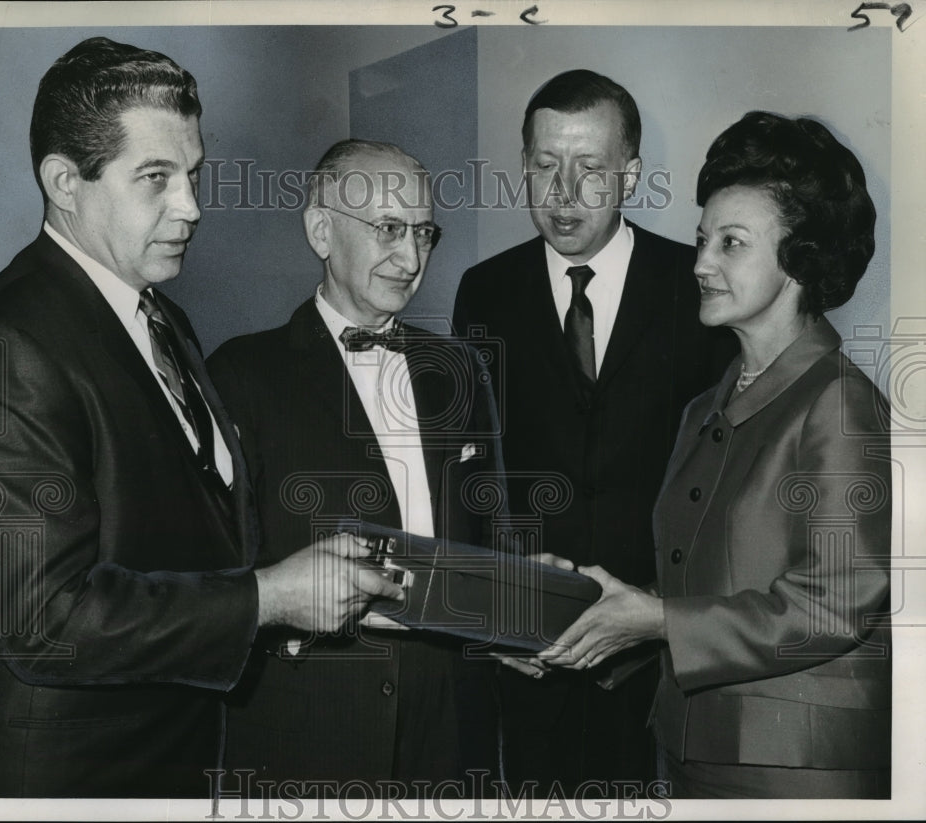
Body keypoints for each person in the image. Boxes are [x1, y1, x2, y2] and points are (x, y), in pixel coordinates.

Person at [0, 38, 402, 799]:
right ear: (65, 182)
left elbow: (185, 528)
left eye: (193, 175)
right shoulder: (7, 340)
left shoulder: (163, 318)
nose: (192, 207)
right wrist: (270, 596)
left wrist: (312, 573)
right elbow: (41, 620)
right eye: (156, 178)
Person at [540, 111, 891, 799]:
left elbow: (834, 604)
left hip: (796, 773)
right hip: (686, 752)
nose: (700, 263)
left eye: (731, 244)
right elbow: (696, 589)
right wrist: (592, 606)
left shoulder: (840, 401)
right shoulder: (705, 408)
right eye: (703, 241)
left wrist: (659, 619)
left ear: (800, 259)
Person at [452, 69, 737, 794]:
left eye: (591, 169)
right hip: (531, 657)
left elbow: (725, 485)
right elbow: (471, 473)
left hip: (659, 661)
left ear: (630, 174)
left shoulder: (696, 285)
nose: (563, 193)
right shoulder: (484, 290)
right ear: (524, 167)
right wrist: (492, 611)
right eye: (545, 166)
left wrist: (658, 617)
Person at [207, 139, 505, 794]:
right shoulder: (240, 373)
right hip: (310, 727)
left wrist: (528, 603)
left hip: (452, 728)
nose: (411, 258)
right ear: (321, 230)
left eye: (424, 233)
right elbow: (214, 569)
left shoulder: (460, 369)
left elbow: (492, 535)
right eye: (388, 230)